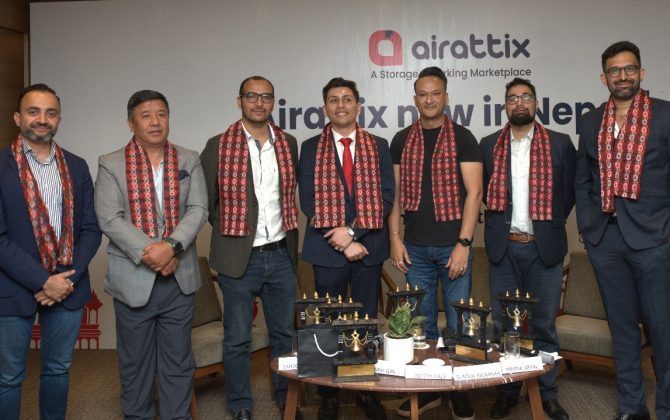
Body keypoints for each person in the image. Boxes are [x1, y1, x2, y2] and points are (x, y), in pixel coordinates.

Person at [95, 90, 208, 419]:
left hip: (179, 278)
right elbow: (109, 218)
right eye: (146, 116)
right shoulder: (110, 163)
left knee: (178, 362)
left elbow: (199, 208)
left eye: (161, 114)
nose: (155, 121)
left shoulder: (188, 158)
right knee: (136, 364)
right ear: (131, 124)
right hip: (133, 280)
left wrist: (171, 247)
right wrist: (153, 253)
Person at [576, 40, 670, 420]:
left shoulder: (664, 115)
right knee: (623, 331)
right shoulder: (591, 121)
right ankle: (632, 408)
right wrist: (589, 227)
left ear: (641, 73)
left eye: (629, 68)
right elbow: (583, 180)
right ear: (604, 78)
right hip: (606, 240)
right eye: (615, 70)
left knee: (662, 331)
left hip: (653, 240)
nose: (623, 76)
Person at [0, 83, 101, 420]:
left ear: (58, 119)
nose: (42, 119)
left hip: (68, 284)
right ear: (18, 118)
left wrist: (64, 280)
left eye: (50, 112)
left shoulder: (76, 165)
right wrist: (44, 281)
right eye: (33, 112)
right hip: (12, 287)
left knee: (57, 369)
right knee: (9, 377)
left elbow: (90, 229)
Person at [200, 76, 299, 420]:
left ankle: (286, 399)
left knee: (284, 334)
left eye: (266, 97)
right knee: (237, 337)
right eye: (252, 96)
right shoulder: (218, 145)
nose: (259, 102)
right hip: (239, 258)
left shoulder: (288, 143)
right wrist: (236, 233)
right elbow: (208, 202)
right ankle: (240, 403)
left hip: (281, 254)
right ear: (239, 100)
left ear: (273, 102)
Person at [389, 66, 482, 419]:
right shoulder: (401, 140)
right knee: (421, 325)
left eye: (436, 93)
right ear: (415, 99)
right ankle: (429, 389)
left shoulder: (463, 137)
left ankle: (459, 392)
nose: (430, 99)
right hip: (414, 248)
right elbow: (395, 197)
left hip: (452, 246)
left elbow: (474, 194)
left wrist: (463, 243)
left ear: (446, 97)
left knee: (459, 324)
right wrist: (395, 240)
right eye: (423, 94)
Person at [298, 77, 394, 420]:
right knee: (327, 323)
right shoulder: (310, 147)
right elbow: (308, 199)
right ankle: (329, 396)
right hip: (327, 251)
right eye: (334, 100)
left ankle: (366, 389)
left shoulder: (378, 145)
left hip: (368, 247)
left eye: (347, 99)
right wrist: (341, 239)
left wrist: (352, 233)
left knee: (365, 321)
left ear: (358, 105)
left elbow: (386, 197)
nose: (341, 105)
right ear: (325, 107)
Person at [481, 78, 574, 420]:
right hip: (504, 250)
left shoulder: (560, 143)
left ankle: (548, 394)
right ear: (505, 105)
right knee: (505, 326)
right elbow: (483, 192)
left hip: (543, 249)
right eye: (512, 98)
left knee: (544, 325)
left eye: (526, 97)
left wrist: (547, 226)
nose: (519, 102)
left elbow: (569, 193)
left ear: (536, 103)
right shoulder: (489, 145)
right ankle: (507, 392)